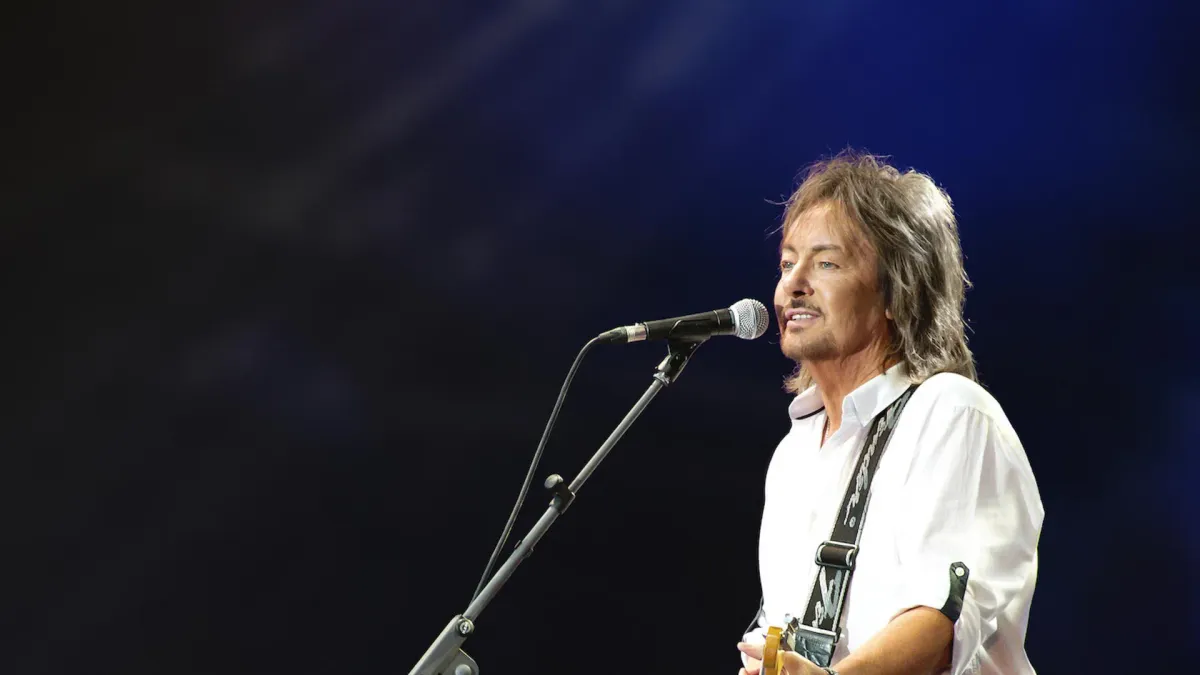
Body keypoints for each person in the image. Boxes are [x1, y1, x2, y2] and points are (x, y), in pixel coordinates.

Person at [735, 152, 1043, 675]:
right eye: (787, 263)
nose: (793, 284)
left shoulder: (950, 413)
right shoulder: (793, 455)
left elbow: (944, 623)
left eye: (826, 263)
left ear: (896, 294)